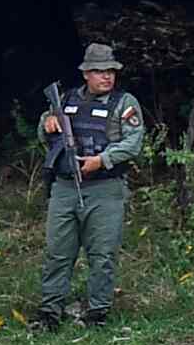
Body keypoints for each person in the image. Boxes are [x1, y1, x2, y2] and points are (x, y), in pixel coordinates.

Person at [33, 42, 146, 328]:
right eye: (99, 71)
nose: (106, 77)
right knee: (58, 251)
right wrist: (47, 122)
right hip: (65, 187)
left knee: (102, 253)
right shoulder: (66, 100)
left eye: (110, 71)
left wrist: (103, 159)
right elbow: (45, 135)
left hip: (105, 189)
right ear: (86, 74)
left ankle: (97, 312)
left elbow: (133, 142)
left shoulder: (124, 103)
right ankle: (50, 311)